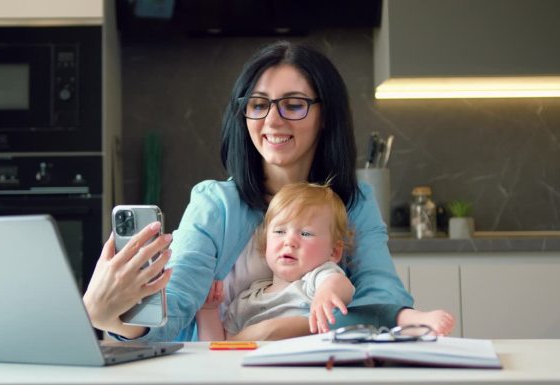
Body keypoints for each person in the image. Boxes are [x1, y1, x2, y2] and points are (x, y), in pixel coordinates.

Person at [83, 41, 455, 342]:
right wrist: (110, 317)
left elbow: (381, 299)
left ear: (325, 116)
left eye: (294, 105)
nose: (272, 120)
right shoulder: (214, 204)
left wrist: (270, 331)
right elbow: (176, 307)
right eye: (258, 105)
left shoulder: (353, 200)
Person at [196, 182, 356, 341]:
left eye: (306, 233)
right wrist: (208, 310)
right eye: (280, 231)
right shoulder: (245, 301)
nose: (290, 241)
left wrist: (326, 294)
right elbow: (219, 348)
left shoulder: (315, 281)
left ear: (334, 252)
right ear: (266, 244)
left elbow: (339, 283)